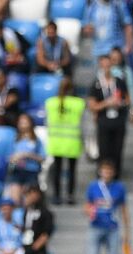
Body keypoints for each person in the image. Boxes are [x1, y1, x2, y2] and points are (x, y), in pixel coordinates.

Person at [84, 160, 129, 254]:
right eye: (104, 170)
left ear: (113, 173)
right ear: (100, 172)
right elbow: (87, 205)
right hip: (96, 227)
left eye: (109, 171)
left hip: (113, 228)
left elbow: (123, 209)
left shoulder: (119, 188)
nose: (107, 173)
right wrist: (89, 212)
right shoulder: (93, 186)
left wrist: (126, 231)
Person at [45, 77, 85, 205]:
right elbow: (82, 123)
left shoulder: (50, 103)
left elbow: (47, 122)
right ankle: (70, 196)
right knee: (72, 171)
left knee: (57, 170)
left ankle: (56, 196)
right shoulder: (78, 103)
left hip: (56, 142)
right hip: (72, 142)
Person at [89, 54, 130, 172]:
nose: (106, 68)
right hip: (104, 121)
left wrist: (120, 103)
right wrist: (106, 103)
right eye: (104, 65)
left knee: (117, 150)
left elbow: (128, 99)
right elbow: (92, 106)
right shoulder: (96, 84)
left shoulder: (119, 82)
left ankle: (116, 175)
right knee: (104, 150)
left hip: (118, 120)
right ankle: (102, 175)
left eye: (108, 65)